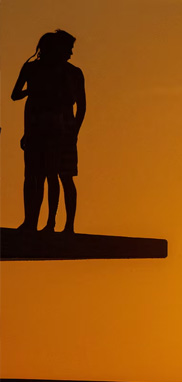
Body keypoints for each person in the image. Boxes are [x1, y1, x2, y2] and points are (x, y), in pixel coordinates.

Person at [11, 29, 85, 233]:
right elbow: (19, 96)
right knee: (35, 176)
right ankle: (31, 221)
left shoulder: (70, 73)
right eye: (67, 49)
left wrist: (73, 132)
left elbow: (80, 105)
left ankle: (58, 224)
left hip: (61, 131)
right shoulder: (35, 69)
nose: (70, 53)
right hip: (38, 129)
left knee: (59, 176)